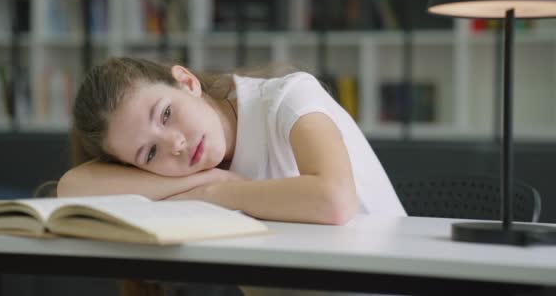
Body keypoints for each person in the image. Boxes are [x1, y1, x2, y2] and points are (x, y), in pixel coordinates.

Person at [57, 57, 406, 296]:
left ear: (187, 82)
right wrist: (198, 183)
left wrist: (218, 191)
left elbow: (334, 201)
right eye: (149, 153)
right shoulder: (195, 172)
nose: (175, 145)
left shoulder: (287, 97)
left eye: (166, 114)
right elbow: (72, 188)